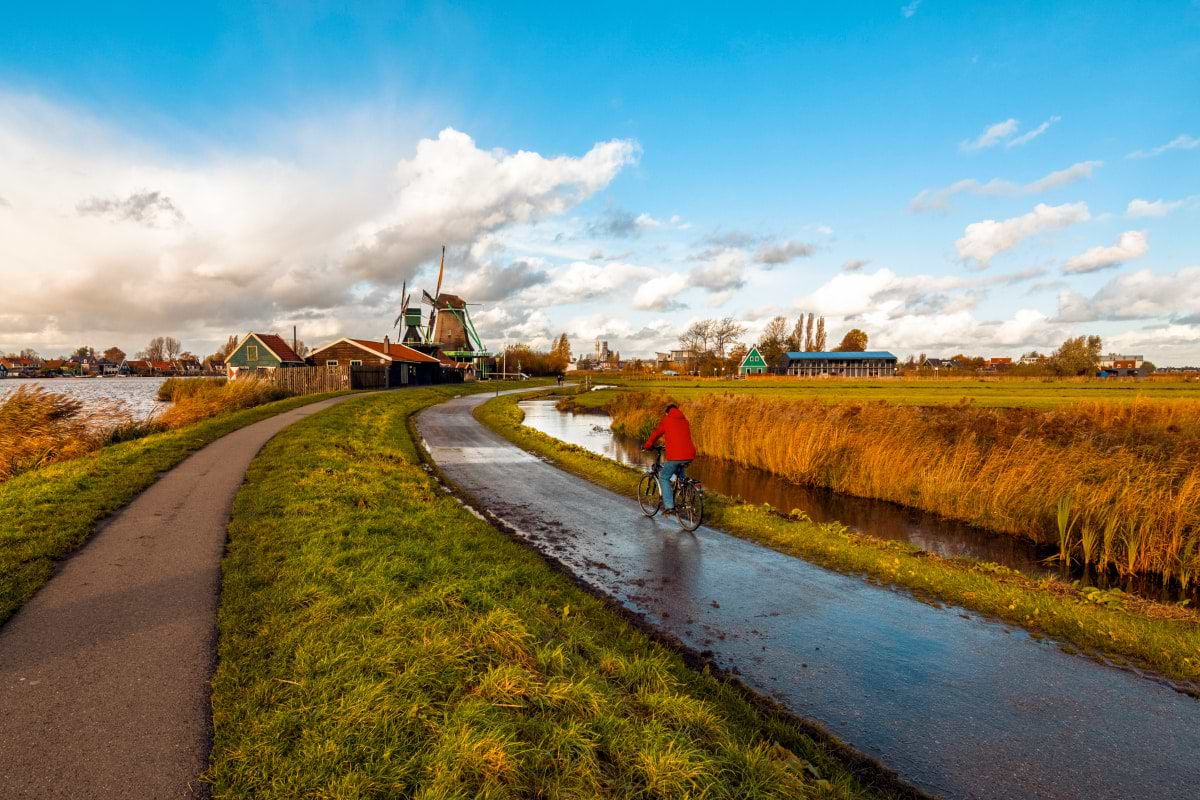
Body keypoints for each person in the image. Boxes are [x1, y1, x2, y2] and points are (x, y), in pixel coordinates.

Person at [643, 403, 696, 517]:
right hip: (689, 455)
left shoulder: (667, 420)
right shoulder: (685, 421)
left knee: (664, 477)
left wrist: (648, 445)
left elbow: (656, 434)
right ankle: (684, 493)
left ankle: (669, 507)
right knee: (680, 476)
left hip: (676, 456)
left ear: (668, 412)